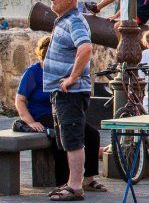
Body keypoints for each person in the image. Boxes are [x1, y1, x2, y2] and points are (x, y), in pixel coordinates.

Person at [15, 35, 105, 194]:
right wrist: (30, 122)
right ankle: (63, 181)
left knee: (92, 135)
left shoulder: (62, 71)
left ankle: (88, 179)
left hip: (62, 110)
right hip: (42, 115)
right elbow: (20, 100)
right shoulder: (33, 72)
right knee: (62, 137)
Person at [43, 0, 93, 202]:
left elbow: (86, 48)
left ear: (69, 0)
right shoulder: (64, 21)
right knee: (66, 137)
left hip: (70, 92)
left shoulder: (74, 21)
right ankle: (72, 182)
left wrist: (72, 77)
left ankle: (75, 186)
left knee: (73, 138)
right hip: (60, 91)